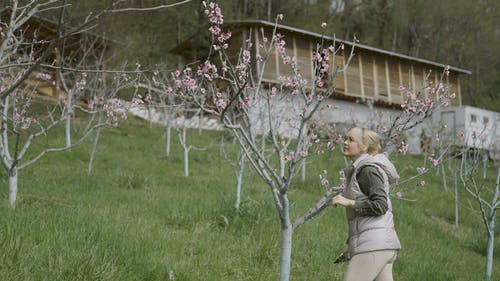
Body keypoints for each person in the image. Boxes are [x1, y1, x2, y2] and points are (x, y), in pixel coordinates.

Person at [331, 127, 401, 281]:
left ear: (364, 147)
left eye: (351, 139)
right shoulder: (359, 169)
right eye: (346, 138)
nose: (345, 142)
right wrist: (350, 243)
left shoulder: (367, 169)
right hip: (380, 246)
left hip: (373, 247)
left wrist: (349, 202)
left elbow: (380, 205)